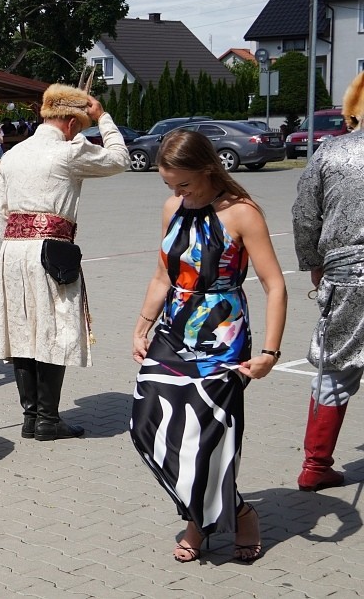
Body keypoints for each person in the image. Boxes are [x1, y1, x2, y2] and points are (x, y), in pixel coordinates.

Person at [130, 130, 286, 564]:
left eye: (185, 184)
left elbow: (275, 286)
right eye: (169, 186)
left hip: (222, 337)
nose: (178, 193)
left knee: (208, 438)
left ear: (208, 169)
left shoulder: (241, 213)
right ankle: (231, 509)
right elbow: (163, 275)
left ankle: (204, 524)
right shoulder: (172, 210)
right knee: (146, 424)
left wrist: (270, 353)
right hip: (173, 331)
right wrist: (141, 327)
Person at [0, 84, 128, 441]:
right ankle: (48, 420)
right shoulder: (68, 152)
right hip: (51, 250)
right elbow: (119, 159)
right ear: (70, 122)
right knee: (53, 328)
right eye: (80, 125)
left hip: (12, 250)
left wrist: (18, 241)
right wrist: (103, 117)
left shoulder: (12, 155)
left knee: (22, 329)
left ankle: (31, 416)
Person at [290, 71, 364, 492]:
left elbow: (304, 213)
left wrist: (314, 262)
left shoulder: (330, 152)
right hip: (346, 270)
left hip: (346, 275)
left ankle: (315, 464)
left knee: (333, 367)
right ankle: (316, 466)